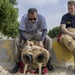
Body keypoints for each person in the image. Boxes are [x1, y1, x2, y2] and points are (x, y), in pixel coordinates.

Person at [9, 8, 53, 73]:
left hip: (38, 33)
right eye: (30, 19)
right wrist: (26, 40)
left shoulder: (42, 17)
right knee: (16, 40)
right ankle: (17, 63)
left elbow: (45, 30)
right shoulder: (24, 18)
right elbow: (21, 31)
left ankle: (48, 61)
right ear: (28, 16)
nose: (32, 20)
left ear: (37, 15)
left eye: (34, 19)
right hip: (27, 33)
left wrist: (41, 40)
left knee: (49, 40)